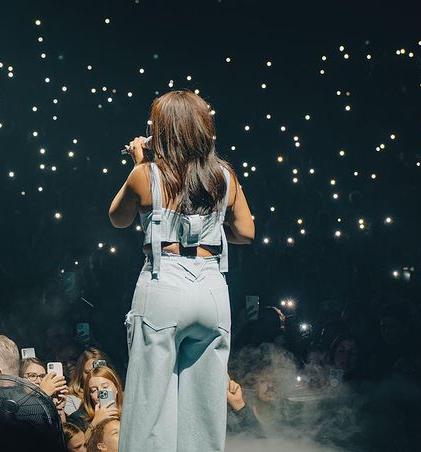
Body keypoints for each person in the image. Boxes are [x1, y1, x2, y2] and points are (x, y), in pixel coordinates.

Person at [108, 89, 255, 451]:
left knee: (150, 406)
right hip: (211, 289)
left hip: (164, 285)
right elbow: (246, 233)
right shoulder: (225, 176)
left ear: (161, 130)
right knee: (204, 410)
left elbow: (118, 219)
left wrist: (139, 162)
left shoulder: (147, 175)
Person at [68, 366, 124, 437]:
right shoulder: (78, 419)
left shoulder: (130, 412)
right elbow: (79, 446)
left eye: (105, 387)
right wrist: (95, 422)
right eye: (94, 390)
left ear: (116, 388)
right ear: (89, 395)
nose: (100, 393)